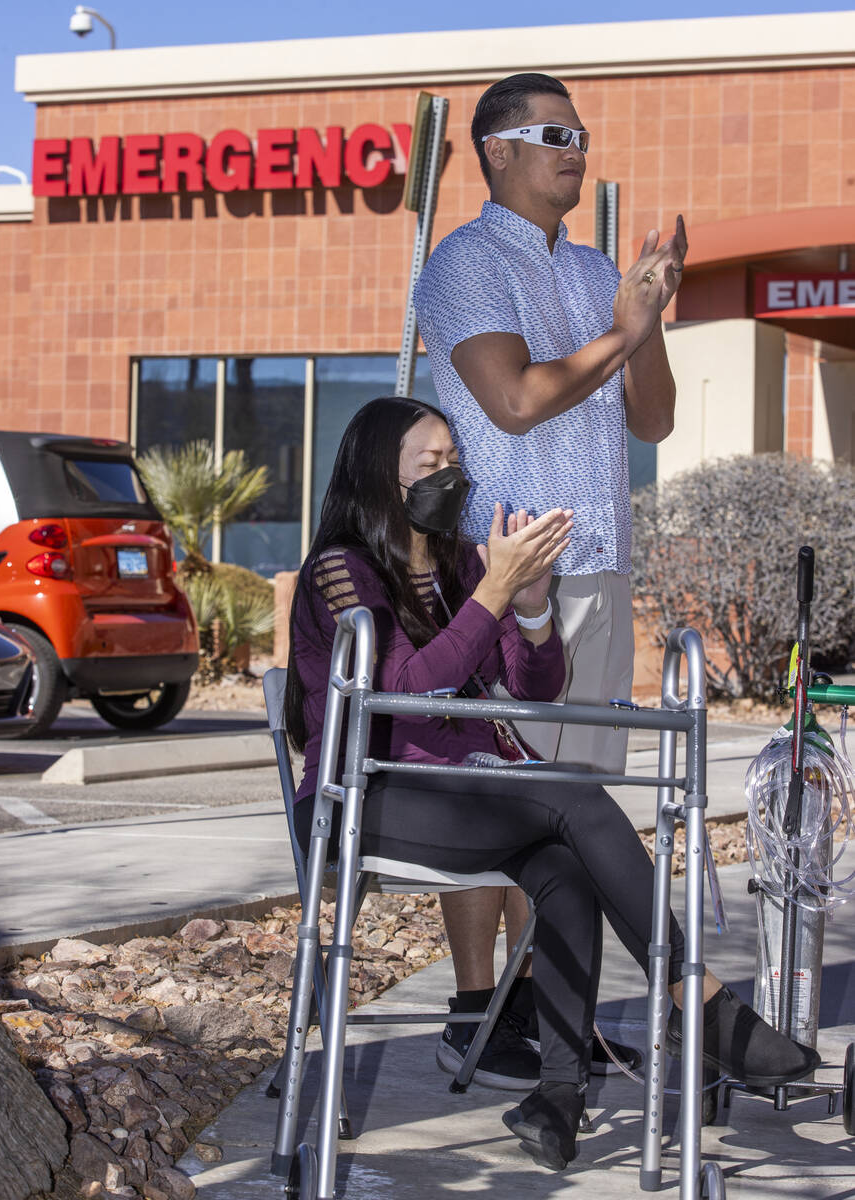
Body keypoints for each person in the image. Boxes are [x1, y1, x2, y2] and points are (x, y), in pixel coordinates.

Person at [285, 396, 819, 1172]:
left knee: (566, 872)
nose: (449, 477)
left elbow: (531, 683)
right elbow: (399, 684)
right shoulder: (344, 568)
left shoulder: (463, 562)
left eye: (452, 461)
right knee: (572, 795)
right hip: (363, 798)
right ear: (376, 474)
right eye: (428, 465)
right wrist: (495, 594)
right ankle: (700, 1007)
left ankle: (557, 1097)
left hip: (461, 792)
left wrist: (530, 613)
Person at [413, 71, 687, 1083]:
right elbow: (518, 400)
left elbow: (652, 421)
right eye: (552, 132)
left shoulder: (594, 270)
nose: (575, 147)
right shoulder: (463, 262)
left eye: (580, 133)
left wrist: (644, 315)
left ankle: (552, 1005)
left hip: (600, 568)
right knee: (503, 790)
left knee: (576, 804)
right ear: (495, 149)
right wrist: (621, 329)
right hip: (506, 573)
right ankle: (476, 1005)